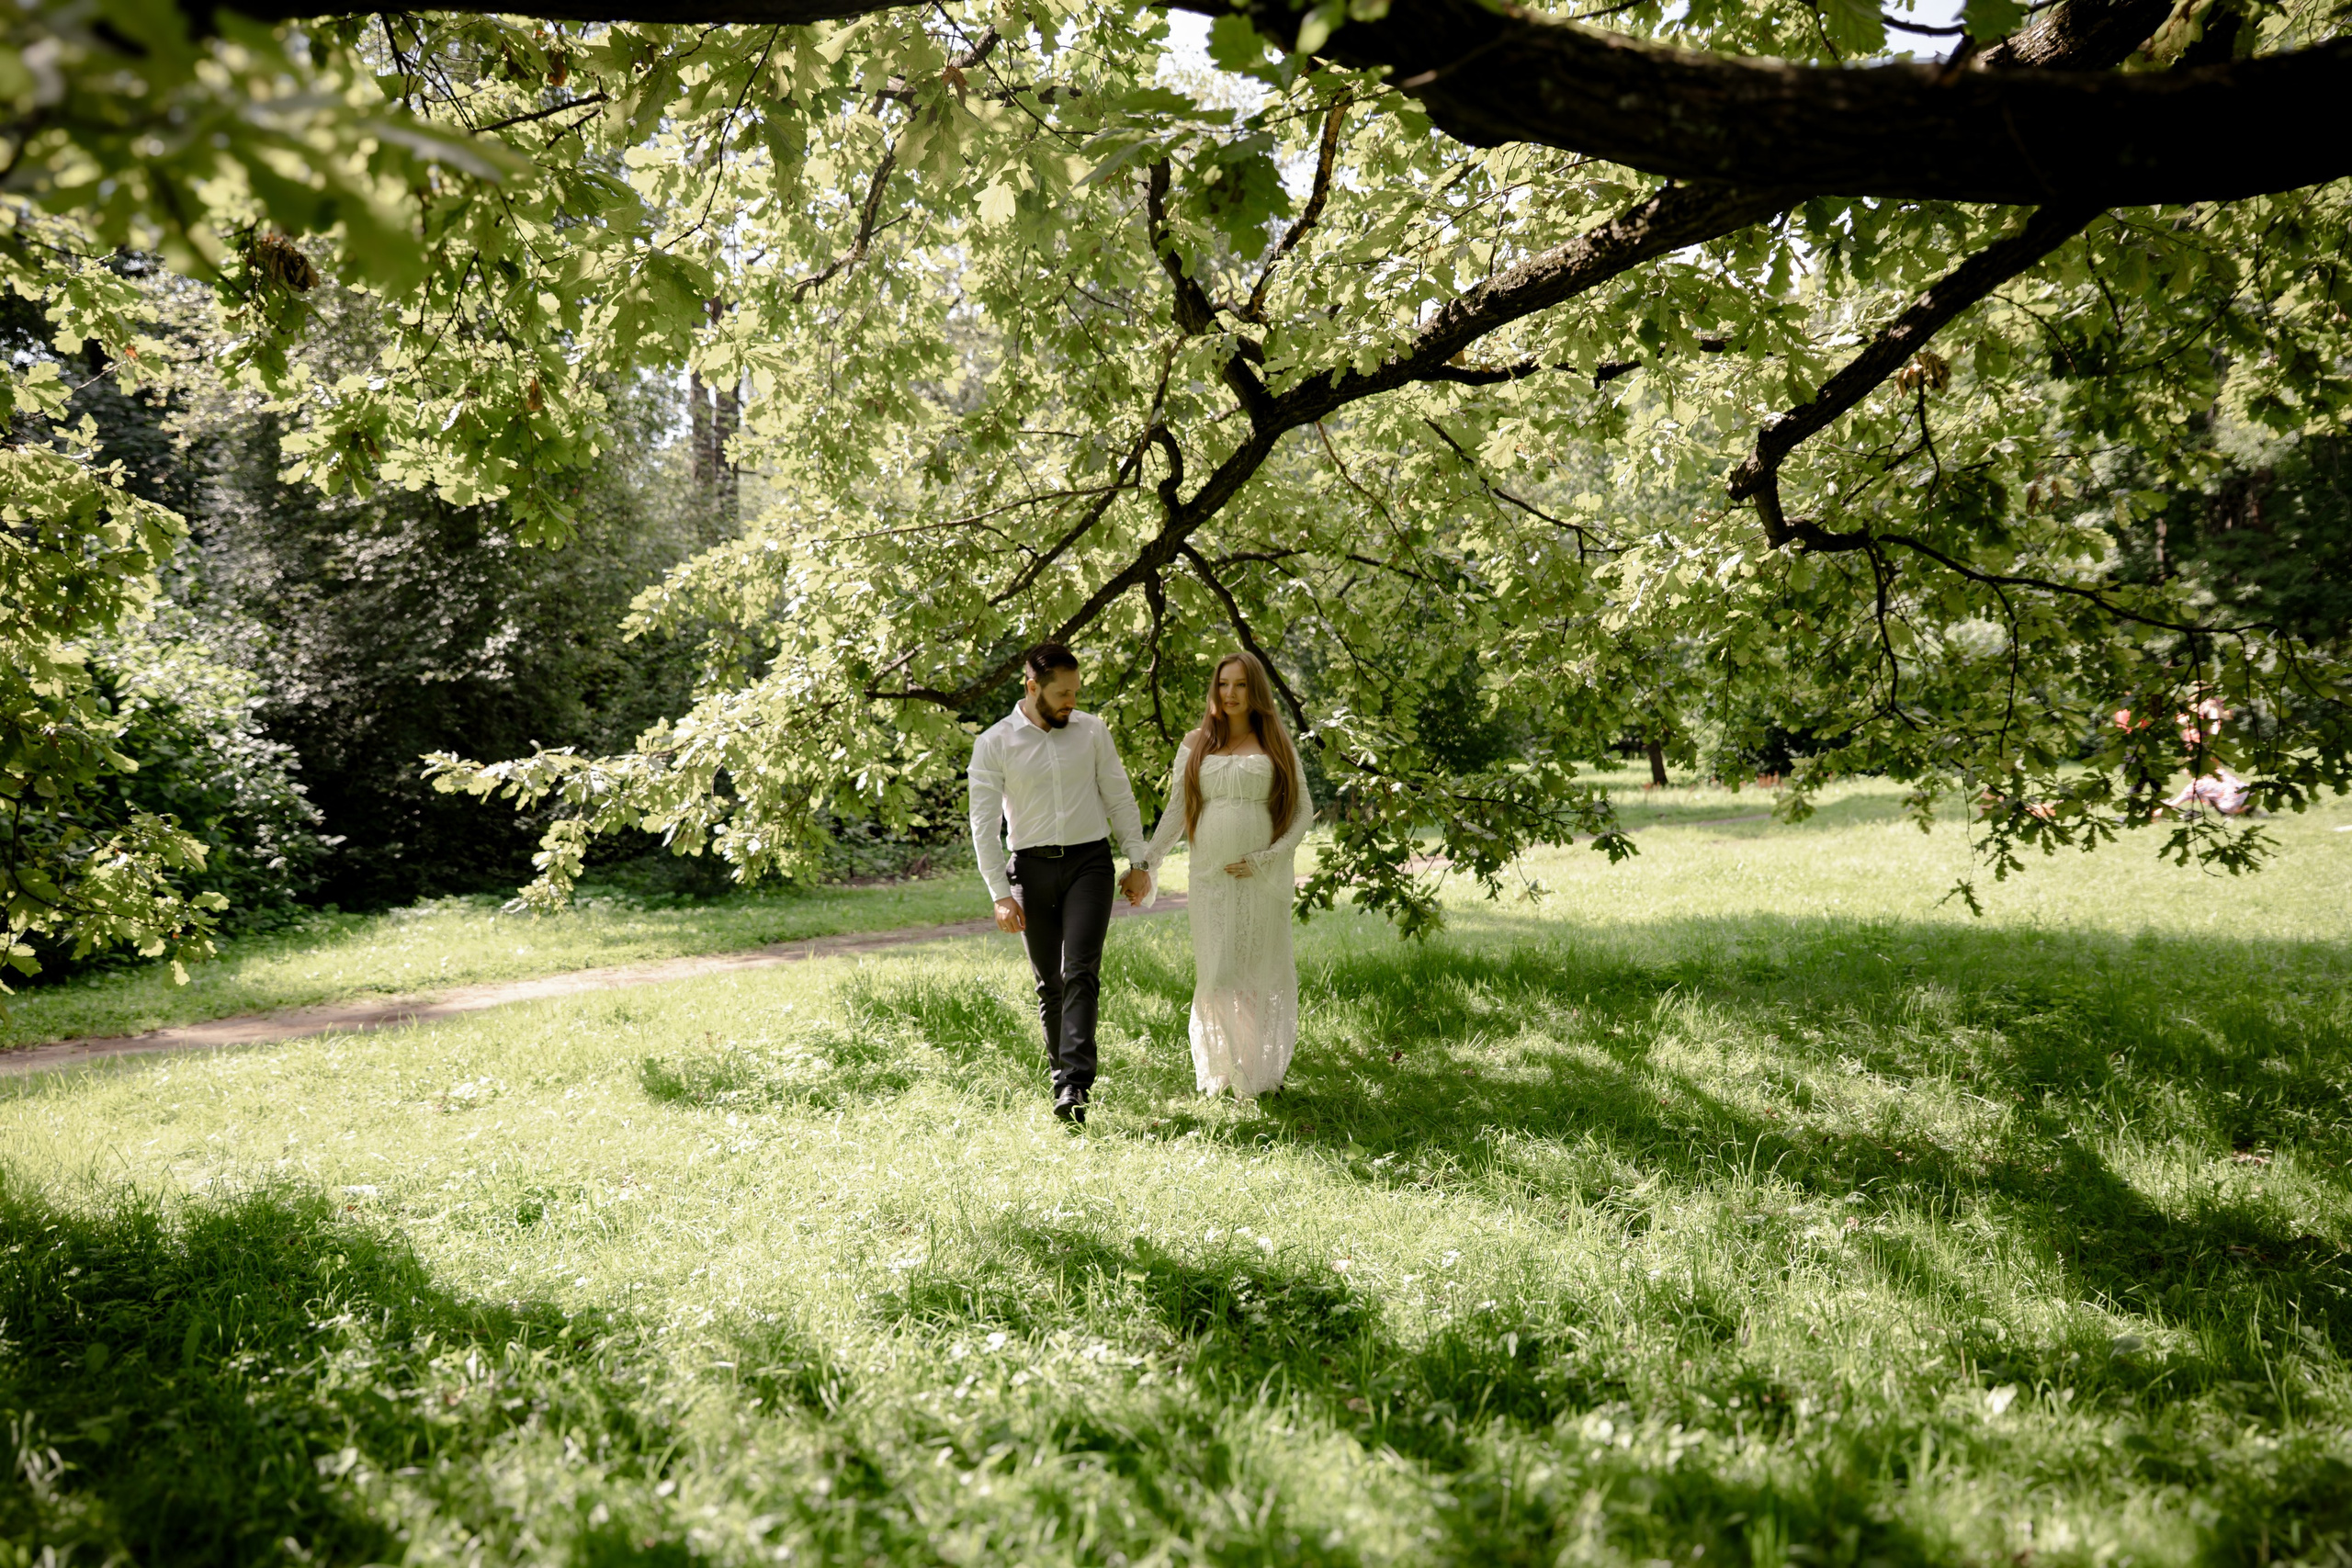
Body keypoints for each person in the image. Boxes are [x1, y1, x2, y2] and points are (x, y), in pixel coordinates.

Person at [967, 642, 1153, 1125]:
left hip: (1089, 863)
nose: (1072, 700)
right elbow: (983, 826)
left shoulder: (1092, 732)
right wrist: (1000, 895)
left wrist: (1139, 861)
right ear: (1032, 688)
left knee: (1081, 970)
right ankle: (1063, 1079)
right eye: (1062, 693)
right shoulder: (995, 742)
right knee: (1049, 982)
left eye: (1076, 691)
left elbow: (1119, 796)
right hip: (1029, 868)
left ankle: (1074, 1084)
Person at [1137, 650, 1316, 1099]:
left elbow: (1303, 810)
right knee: (1218, 976)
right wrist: (1146, 862)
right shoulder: (1196, 742)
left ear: (1254, 690)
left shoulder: (1275, 740)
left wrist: (1269, 857)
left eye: (1239, 685)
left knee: (1257, 972)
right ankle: (1224, 1071)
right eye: (1223, 684)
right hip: (1210, 876)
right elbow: (1177, 810)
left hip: (1261, 877)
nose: (1230, 693)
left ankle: (1256, 1077)